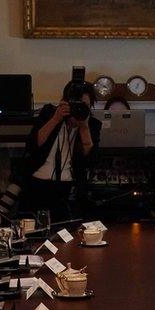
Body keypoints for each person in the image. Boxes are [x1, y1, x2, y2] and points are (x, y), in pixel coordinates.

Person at [20, 80, 102, 220]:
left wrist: (84, 127)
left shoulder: (92, 125)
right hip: (38, 183)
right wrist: (56, 119)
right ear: (66, 102)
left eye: (86, 106)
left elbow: (90, 159)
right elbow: (33, 144)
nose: (80, 109)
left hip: (68, 187)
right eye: (77, 105)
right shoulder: (50, 113)